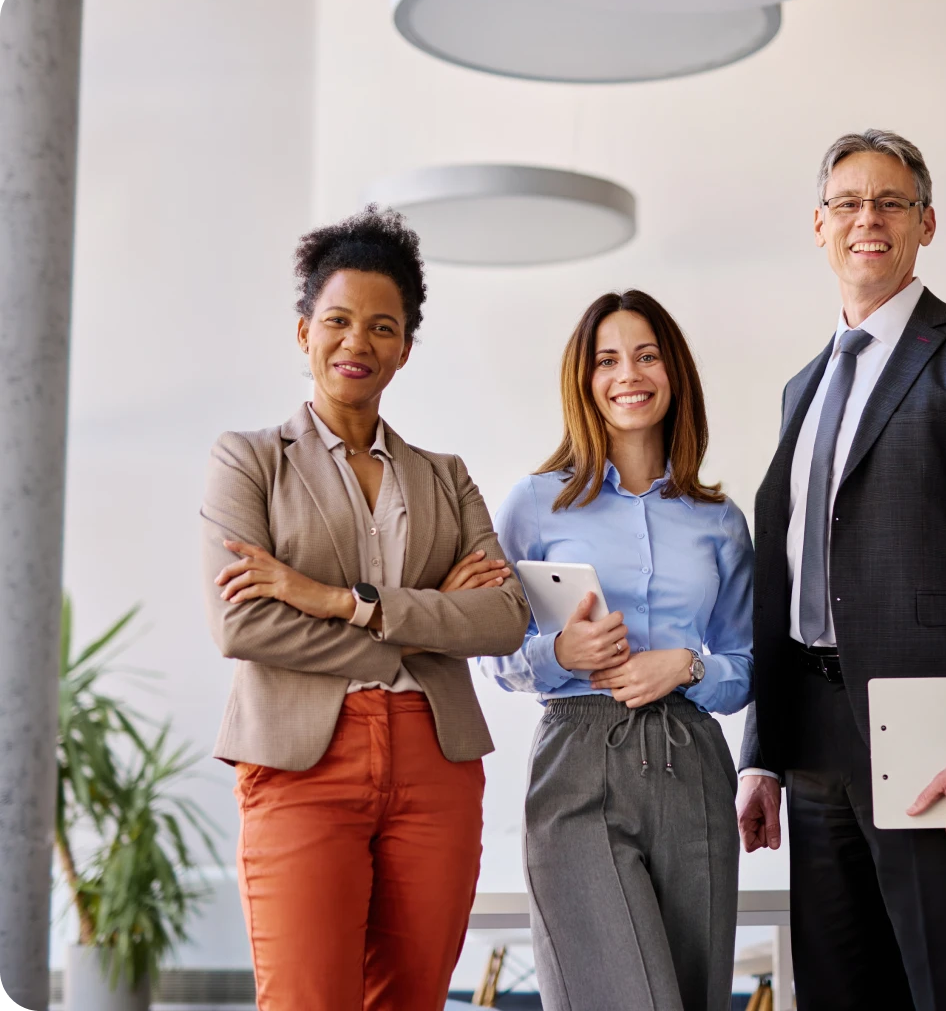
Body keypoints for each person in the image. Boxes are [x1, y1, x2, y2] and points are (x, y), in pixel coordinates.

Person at [736, 130, 946, 1010]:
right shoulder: (803, 386)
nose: (867, 219)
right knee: (840, 995)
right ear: (819, 225)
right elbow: (791, 572)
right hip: (811, 743)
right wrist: (761, 754)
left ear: (927, 224)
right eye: (848, 203)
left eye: (891, 203)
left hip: (935, 738)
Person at [200, 205, 530, 1011]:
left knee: (411, 999)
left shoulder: (445, 476)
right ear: (304, 331)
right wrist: (417, 633)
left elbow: (506, 617)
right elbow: (242, 624)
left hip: (437, 764)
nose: (358, 342)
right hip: (300, 762)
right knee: (309, 999)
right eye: (339, 320)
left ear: (406, 350)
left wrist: (341, 603)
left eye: (382, 327)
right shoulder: (247, 461)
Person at [481, 290, 754, 1011]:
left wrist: (689, 667)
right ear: (584, 379)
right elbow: (491, 649)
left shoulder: (719, 520)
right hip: (578, 760)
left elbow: (749, 664)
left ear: (674, 373)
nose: (627, 374)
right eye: (606, 359)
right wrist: (562, 651)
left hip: (691, 761)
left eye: (646, 355)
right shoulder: (535, 504)